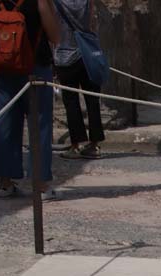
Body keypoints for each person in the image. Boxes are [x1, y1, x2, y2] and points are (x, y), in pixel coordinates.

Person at [0, 0, 61, 200]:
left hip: (2, 67)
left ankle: (6, 183)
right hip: (35, 67)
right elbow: (55, 36)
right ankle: (40, 184)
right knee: (39, 126)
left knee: (4, 124)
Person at [54, 0, 103, 159]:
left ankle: (76, 144)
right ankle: (94, 144)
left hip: (65, 54)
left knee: (71, 102)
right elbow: (93, 22)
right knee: (93, 100)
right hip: (87, 53)